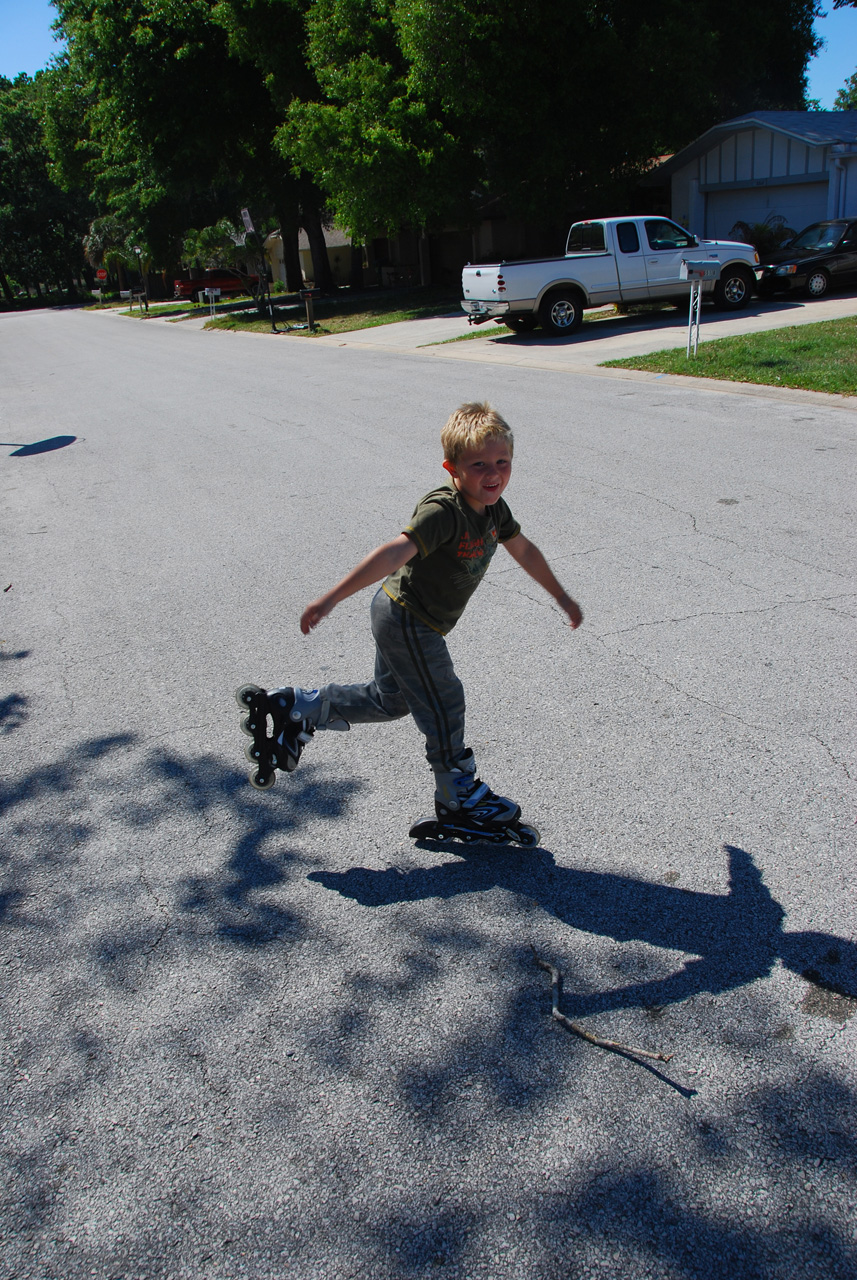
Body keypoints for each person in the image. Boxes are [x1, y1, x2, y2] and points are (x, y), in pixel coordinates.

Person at [236, 402, 583, 842]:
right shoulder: (445, 510)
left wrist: (561, 596)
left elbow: (525, 551)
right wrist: (331, 598)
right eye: (478, 465)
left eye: (502, 462)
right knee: (444, 698)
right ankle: (458, 794)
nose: (492, 473)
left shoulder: (494, 510)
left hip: (407, 616)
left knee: (391, 701)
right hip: (407, 618)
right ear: (452, 467)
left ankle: (298, 708)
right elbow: (394, 552)